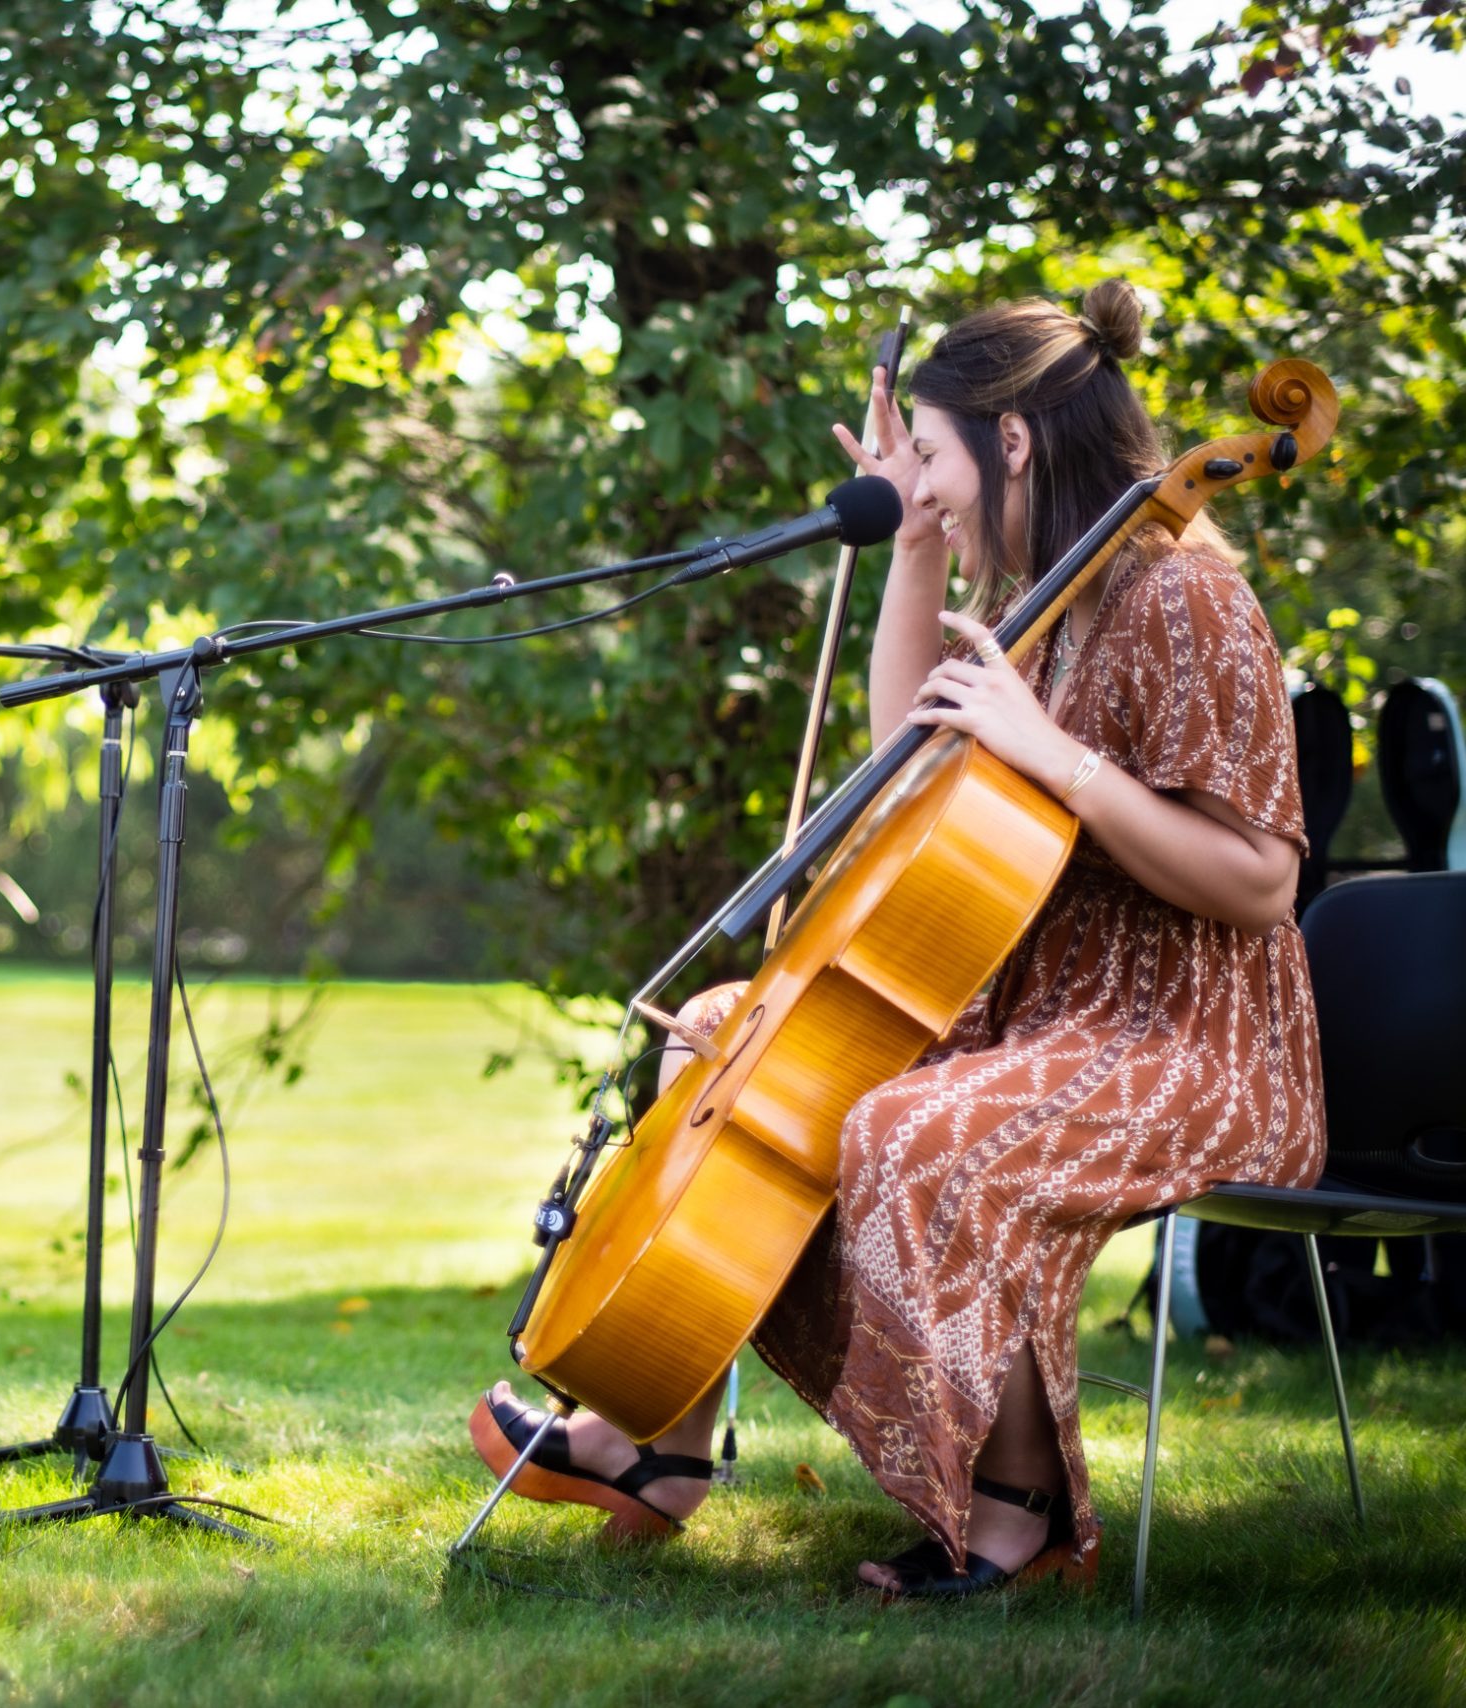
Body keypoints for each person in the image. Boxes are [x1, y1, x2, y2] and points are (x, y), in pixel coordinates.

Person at [469, 281, 1325, 1597]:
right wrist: (915, 547)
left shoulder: (1181, 599)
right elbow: (907, 767)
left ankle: (1022, 1512)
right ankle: (658, 1438)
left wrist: (1060, 762)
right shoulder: (1050, 599)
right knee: (722, 1038)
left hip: (1184, 1038)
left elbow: (1263, 882)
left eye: (932, 453)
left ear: (1015, 442)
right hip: (1033, 1016)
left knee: (912, 1131)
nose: (919, 478)